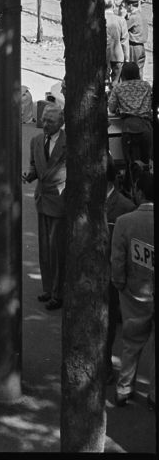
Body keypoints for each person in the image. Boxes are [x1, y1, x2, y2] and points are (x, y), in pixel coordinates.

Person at [110, 171, 154, 409]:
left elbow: (117, 260)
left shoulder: (125, 222)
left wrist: (119, 284)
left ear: (138, 192)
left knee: (131, 342)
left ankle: (124, 388)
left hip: (134, 292)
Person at [23, 97, 67, 310]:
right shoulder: (36, 141)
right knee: (44, 249)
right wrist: (30, 176)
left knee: (57, 249)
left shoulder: (69, 142)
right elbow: (35, 166)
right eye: (43, 120)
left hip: (60, 202)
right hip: (42, 199)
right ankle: (48, 288)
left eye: (50, 121)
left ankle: (59, 293)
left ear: (60, 123)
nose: (45, 124)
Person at [104, 155, 137, 384]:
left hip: (111, 278)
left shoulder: (126, 208)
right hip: (85, 275)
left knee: (107, 327)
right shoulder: (79, 200)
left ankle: (105, 367)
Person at [107, 61, 153, 183]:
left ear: (123, 74)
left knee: (130, 165)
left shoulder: (119, 88)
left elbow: (111, 108)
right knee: (146, 164)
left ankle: (131, 189)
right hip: (146, 127)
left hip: (129, 129)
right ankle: (146, 191)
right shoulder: (146, 85)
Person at [106, 0, 130, 87]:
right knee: (116, 83)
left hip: (102, 55)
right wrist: (126, 58)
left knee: (103, 82)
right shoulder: (121, 20)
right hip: (118, 56)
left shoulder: (99, 19)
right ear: (113, 6)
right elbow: (124, 40)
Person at [122, 0, 148, 73]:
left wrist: (124, 16)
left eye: (125, 5)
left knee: (131, 71)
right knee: (139, 71)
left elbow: (123, 28)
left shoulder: (133, 17)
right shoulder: (142, 15)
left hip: (133, 47)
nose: (124, 6)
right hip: (141, 47)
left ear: (130, 6)